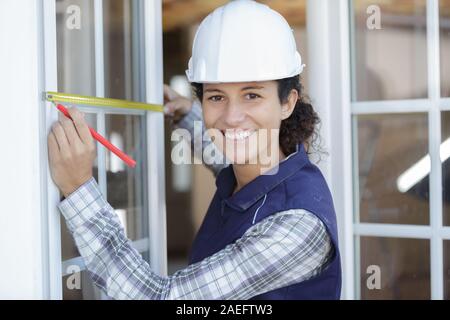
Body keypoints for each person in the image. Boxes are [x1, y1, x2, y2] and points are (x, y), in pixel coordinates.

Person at [48, 0, 341, 300]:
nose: (231, 116)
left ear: (287, 103)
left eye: (251, 95)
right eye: (216, 97)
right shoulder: (260, 172)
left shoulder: (297, 227)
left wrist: (78, 189)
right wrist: (187, 115)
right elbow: (223, 157)